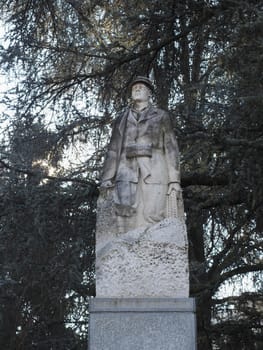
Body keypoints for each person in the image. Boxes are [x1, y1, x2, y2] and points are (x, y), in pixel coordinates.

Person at [100, 76, 183, 233]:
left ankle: (156, 251)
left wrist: (174, 180)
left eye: (141, 87)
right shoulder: (121, 119)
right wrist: (106, 178)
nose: (137, 89)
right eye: (134, 88)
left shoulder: (161, 116)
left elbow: (171, 148)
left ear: (149, 93)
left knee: (155, 214)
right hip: (126, 170)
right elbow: (113, 149)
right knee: (124, 215)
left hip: (155, 169)